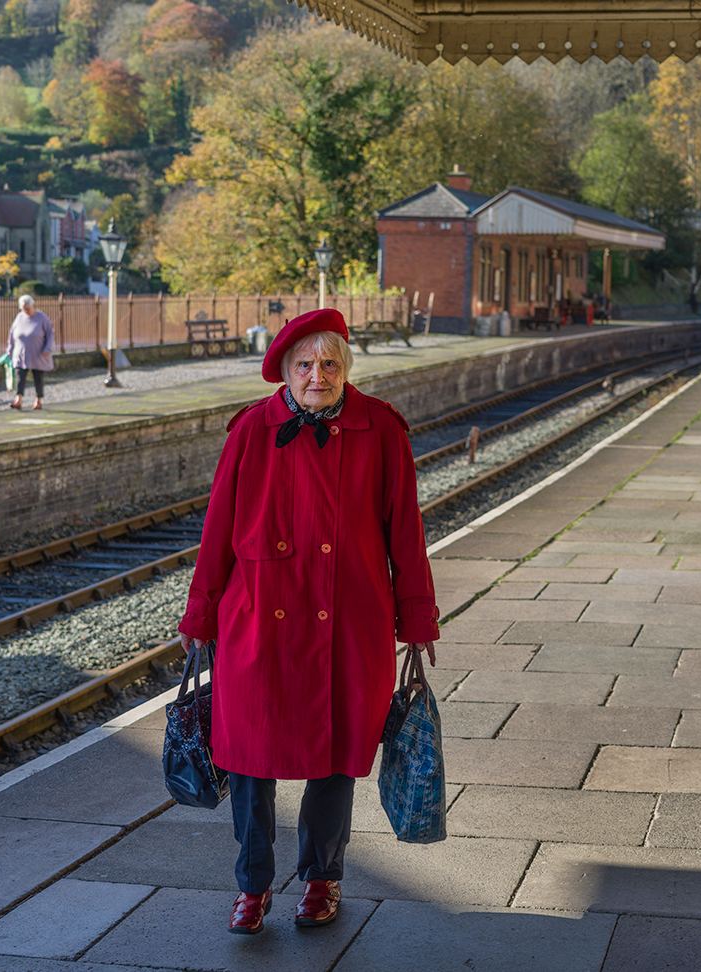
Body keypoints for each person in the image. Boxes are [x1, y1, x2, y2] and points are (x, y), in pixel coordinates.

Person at [177, 308, 440, 935]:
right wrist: (200, 611)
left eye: (329, 365)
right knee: (247, 754)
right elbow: (216, 531)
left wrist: (418, 618)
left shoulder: (381, 429)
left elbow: (406, 532)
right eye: (305, 365)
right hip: (258, 622)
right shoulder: (250, 431)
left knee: (336, 754)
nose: (317, 376)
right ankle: (253, 885)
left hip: (349, 619)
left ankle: (322, 879)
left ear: (344, 369)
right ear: (286, 372)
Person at [6, 294, 55, 410]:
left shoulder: (42, 318)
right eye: (23, 309)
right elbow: (12, 334)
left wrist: (48, 349)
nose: (25, 311)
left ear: (33, 305)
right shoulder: (19, 317)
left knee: (38, 377)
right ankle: (18, 399)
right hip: (20, 354)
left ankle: (38, 400)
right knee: (20, 376)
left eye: (27, 308)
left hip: (37, 354)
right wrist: (9, 349)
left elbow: (51, 334)